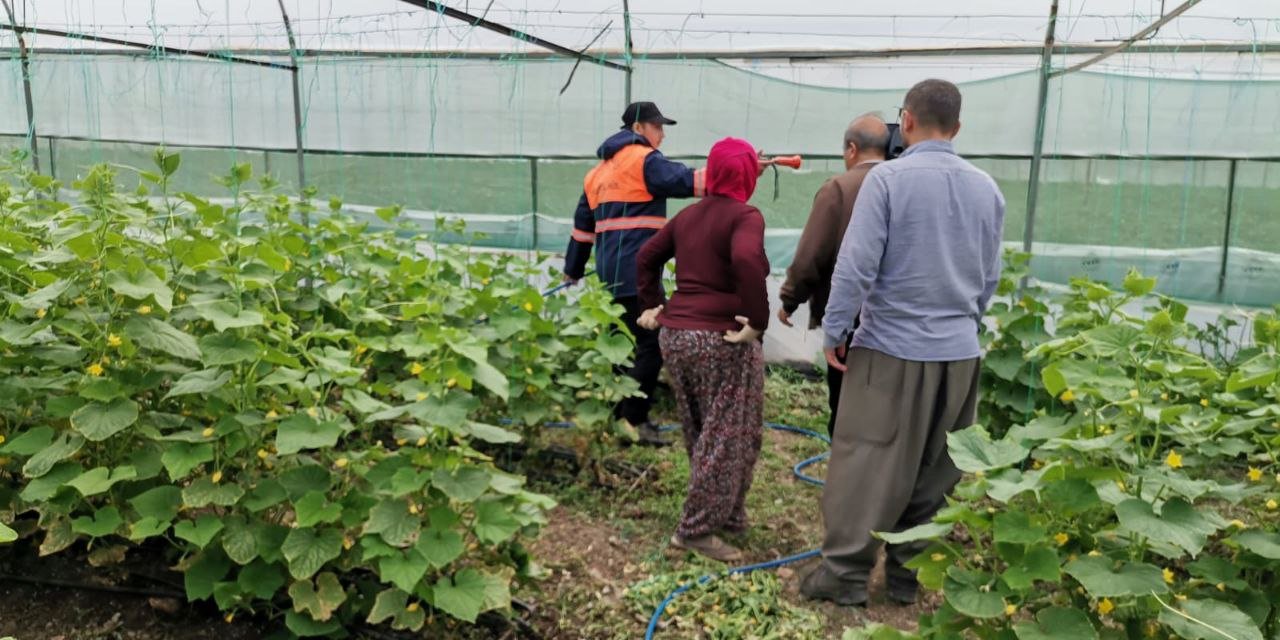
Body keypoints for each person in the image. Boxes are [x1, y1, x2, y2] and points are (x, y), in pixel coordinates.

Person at [799, 79, 1005, 606]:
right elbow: (989, 277)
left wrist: (836, 330)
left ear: (906, 122)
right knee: (936, 468)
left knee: (866, 459)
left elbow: (856, 266)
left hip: (890, 349)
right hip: (958, 353)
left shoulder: (887, 181)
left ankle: (844, 576)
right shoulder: (987, 188)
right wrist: (965, 326)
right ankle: (908, 578)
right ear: (957, 128)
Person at [634, 137, 770, 562]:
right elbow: (747, 260)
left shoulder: (688, 216)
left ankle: (727, 514)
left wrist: (652, 305)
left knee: (702, 430)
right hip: (719, 339)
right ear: (747, 175)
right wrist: (757, 320)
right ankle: (694, 531)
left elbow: (646, 257)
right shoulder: (745, 216)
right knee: (731, 434)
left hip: (677, 337)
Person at [563, 101, 706, 446]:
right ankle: (633, 420)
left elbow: (583, 228)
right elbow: (686, 181)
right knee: (652, 341)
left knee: (621, 344)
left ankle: (615, 412)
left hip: (608, 274)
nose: (663, 133)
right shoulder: (645, 160)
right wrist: (741, 169)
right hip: (638, 270)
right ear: (639, 128)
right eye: (658, 126)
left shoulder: (597, 173)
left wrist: (572, 270)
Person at [778, 114, 889, 438]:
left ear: (851, 149)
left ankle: (847, 471)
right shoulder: (908, 185)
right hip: (898, 321)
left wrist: (790, 298)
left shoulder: (840, 188)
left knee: (846, 404)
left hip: (851, 319)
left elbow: (813, 253)